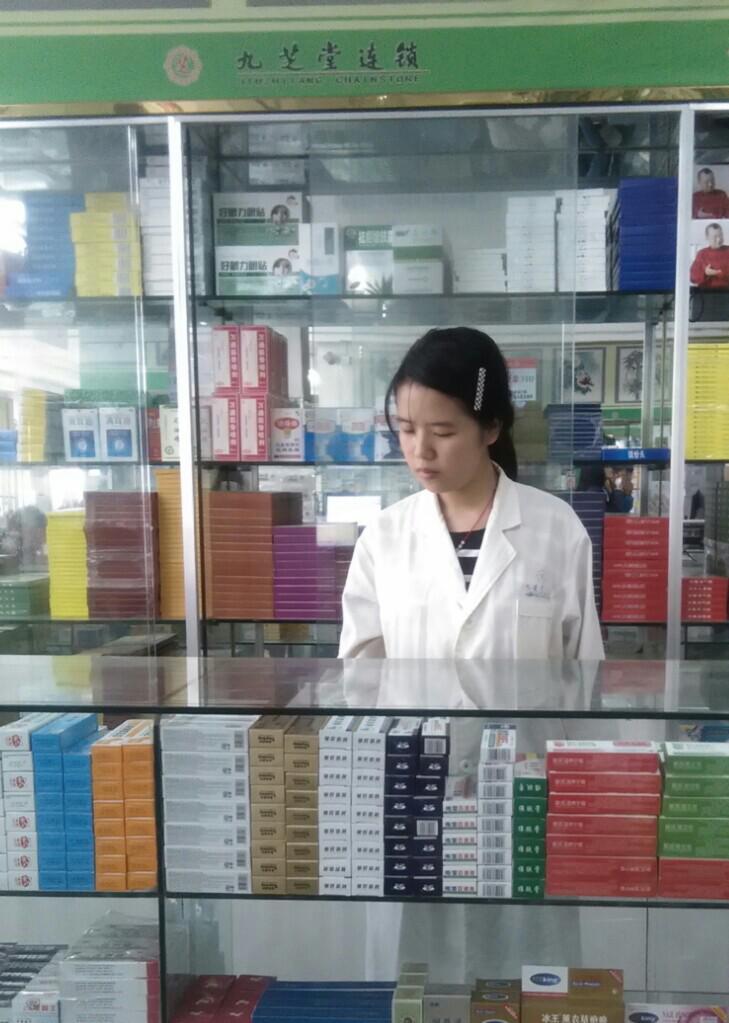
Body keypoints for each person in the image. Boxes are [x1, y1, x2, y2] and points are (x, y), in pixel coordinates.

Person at [339, 327, 604, 660]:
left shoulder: (557, 529)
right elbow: (360, 674)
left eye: (442, 432)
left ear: (491, 427)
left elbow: (584, 668)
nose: (420, 450)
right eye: (407, 429)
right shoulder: (382, 538)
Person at [690, 222, 729, 289]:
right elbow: (693, 277)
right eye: (715, 237)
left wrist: (718, 273)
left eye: (720, 235)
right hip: (707, 292)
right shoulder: (702, 254)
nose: (719, 239)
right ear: (707, 237)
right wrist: (705, 273)